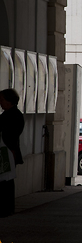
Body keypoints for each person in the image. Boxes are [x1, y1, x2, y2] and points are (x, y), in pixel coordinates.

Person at [0, 88, 25, 217]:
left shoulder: (13, 115)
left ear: (9, 101)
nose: (0, 103)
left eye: (2, 100)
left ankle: (6, 208)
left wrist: (12, 150)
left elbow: (11, 135)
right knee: (6, 182)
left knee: (6, 182)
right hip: (8, 151)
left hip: (8, 151)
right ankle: (6, 208)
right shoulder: (11, 114)